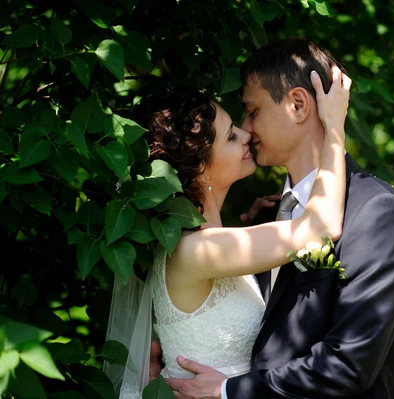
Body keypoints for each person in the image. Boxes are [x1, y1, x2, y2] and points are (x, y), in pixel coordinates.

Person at [160, 38, 394, 399]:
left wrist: (227, 391)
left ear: (298, 104)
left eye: (253, 112)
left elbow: (348, 365)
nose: (248, 130)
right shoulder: (264, 220)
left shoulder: (376, 212)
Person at [104, 65, 352, 398]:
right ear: (199, 169)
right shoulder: (197, 249)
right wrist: (334, 126)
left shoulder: (208, 242)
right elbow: (321, 228)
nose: (247, 134)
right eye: (232, 135)